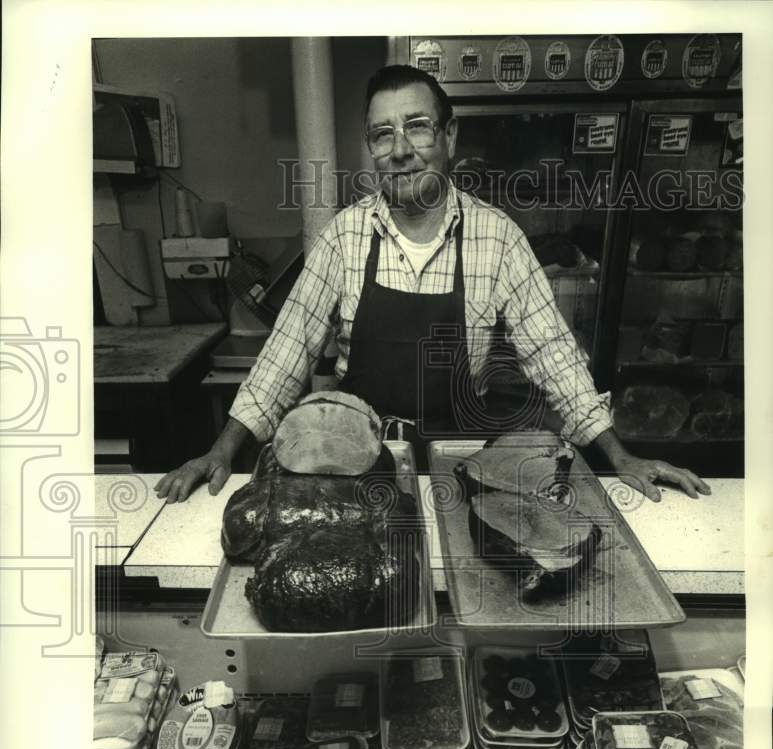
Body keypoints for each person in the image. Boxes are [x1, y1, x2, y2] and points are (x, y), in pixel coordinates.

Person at [155, 64, 710, 505]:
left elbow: (556, 360)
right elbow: (285, 355)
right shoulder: (344, 236)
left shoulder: (497, 238)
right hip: (360, 462)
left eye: (417, 126)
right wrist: (222, 449)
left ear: (448, 135)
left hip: (460, 463)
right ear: (370, 147)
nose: (400, 149)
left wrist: (620, 456)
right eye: (382, 134)